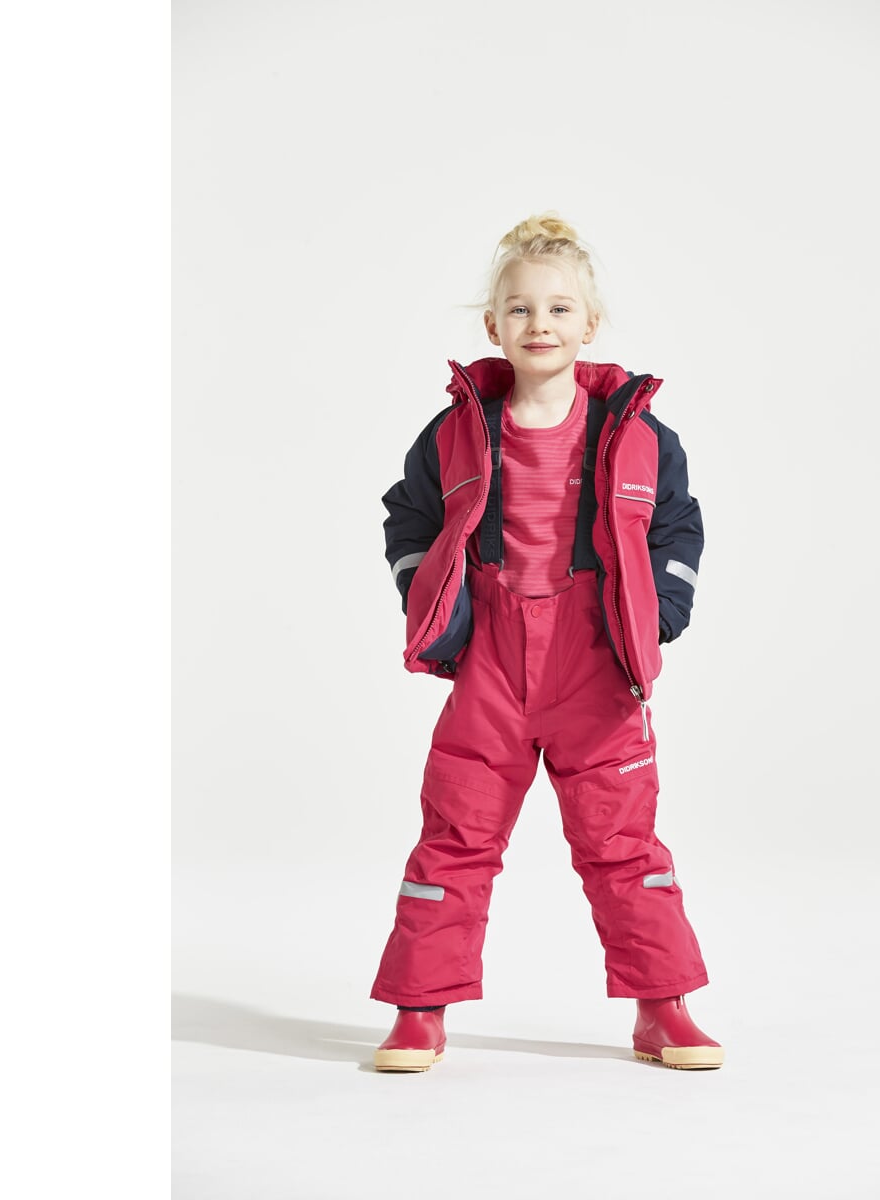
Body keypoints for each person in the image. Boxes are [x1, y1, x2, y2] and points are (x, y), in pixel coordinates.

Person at [369, 213, 722, 1072]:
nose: (540, 324)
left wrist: (660, 613)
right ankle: (420, 1010)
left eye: (560, 309)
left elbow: (677, 526)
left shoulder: (638, 435)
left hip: (594, 660)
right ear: (494, 326)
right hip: (491, 659)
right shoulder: (455, 431)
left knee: (621, 842)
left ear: (589, 325)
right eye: (521, 309)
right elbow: (408, 516)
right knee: (456, 834)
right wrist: (428, 598)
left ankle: (663, 1009)